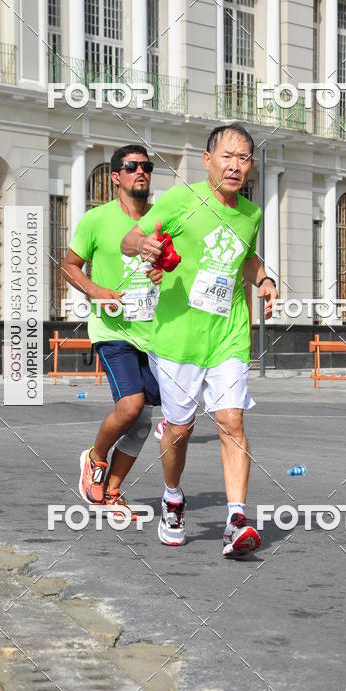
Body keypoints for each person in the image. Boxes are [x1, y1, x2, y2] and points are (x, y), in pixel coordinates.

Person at [121, 123, 278, 558]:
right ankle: (173, 498)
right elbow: (130, 238)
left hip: (228, 335)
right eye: (226, 156)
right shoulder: (179, 200)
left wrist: (262, 278)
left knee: (231, 420)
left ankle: (236, 520)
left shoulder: (250, 213)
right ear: (207, 160)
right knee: (180, 431)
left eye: (243, 158)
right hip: (176, 339)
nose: (235, 165)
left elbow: (244, 256)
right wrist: (144, 244)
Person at [62, 145, 163, 512]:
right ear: (115, 176)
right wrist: (97, 291)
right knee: (131, 406)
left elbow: (172, 270)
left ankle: (112, 490)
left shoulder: (161, 220)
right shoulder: (96, 219)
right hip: (112, 329)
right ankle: (95, 457)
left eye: (147, 166)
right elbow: (70, 264)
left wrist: (161, 272)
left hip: (154, 332)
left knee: (143, 420)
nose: (141, 172)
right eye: (132, 166)